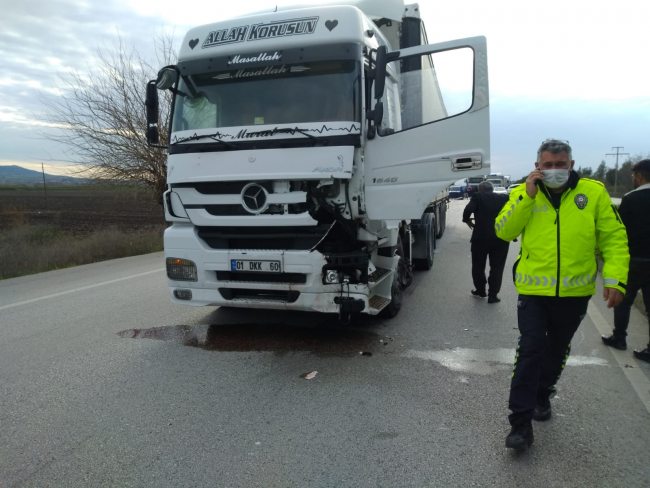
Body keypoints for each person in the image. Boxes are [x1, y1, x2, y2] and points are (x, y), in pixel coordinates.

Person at [495, 139, 629, 450]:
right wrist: (526, 198)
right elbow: (503, 230)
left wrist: (616, 280)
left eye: (560, 164)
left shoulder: (593, 192)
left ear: (570, 165)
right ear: (537, 166)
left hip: (574, 292)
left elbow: (614, 238)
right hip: (533, 291)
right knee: (530, 349)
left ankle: (543, 393)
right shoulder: (522, 191)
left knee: (556, 349)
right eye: (548, 165)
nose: (554, 170)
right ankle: (520, 424)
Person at [601, 159, 650, 362]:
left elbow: (618, 232)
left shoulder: (631, 199)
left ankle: (619, 338)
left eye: (633, 176)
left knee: (623, 301)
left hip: (634, 260)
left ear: (639, 176)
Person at [462, 181, 510, 303]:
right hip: (501, 237)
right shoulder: (504, 197)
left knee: (478, 266)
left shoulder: (478, 196)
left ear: (481, 189)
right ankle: (493, 295)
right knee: (497, 267)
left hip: (480, 237)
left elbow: (468, 209)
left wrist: (467, 221)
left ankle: (481, 290)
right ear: (492, 189)